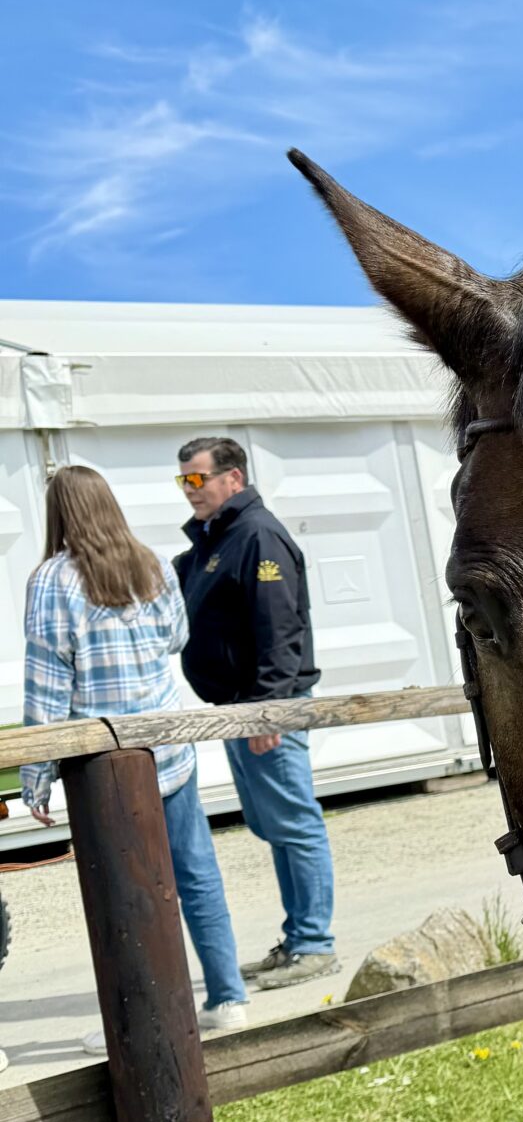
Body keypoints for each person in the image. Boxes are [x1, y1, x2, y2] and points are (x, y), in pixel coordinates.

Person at [22, 465, 249, 1037]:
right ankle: (227, 997)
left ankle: (142, 1017)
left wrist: (36, 774)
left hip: (102, 767)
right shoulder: (151, 563)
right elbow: (176, 638)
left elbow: (46, 685)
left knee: (122, 889)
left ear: (61, 512)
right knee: (195, 873)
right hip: (167, 751)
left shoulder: (52, 579)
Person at [174, 435, 338, 986]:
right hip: (240, 708)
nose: (190, 491)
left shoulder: (258, 535)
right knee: (273, 824)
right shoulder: (218, 538)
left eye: (197, 479)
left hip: (268, 707)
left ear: (233, 478)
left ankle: (315, 945)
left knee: (294, 823)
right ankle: (298, 940)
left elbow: (280, 628)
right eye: (184, 481)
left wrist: (270, 710)